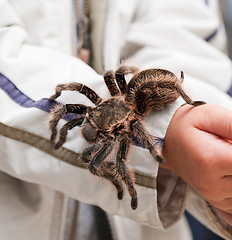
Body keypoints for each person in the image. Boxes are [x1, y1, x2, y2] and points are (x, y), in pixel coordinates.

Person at [0, 0, 232, 240]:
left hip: (134, 230)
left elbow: (137, 149)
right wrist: (57, 123)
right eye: (87, 117)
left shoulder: (126, 128)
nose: (85, 118)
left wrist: (160, 149)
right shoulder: (97, 105)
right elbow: (89, 86)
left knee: (107, 162)